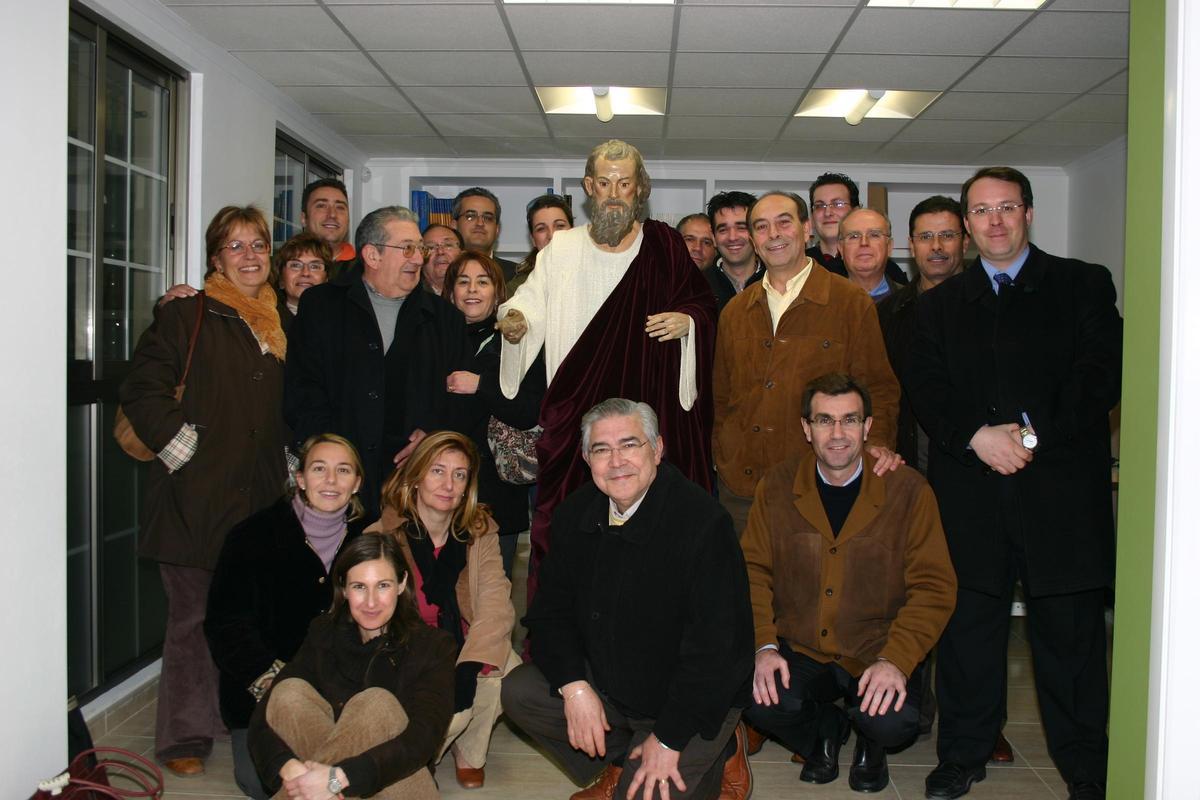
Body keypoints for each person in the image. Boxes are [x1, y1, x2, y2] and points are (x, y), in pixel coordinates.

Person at [908, 167, 1122, 800]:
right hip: (971, 497)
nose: (994, 220)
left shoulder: (1082, 284)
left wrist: (1025, 439)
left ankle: (1087, 769)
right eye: (981, 211)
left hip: (1059, 498)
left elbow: (1099, 378)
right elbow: (928, 389)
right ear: (968, 226)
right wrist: (977, 437)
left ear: (1029, 213)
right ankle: (963, 756)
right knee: (969, 636)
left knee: (1071, 643)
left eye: (1006, 207)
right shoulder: (939, 305)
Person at [496, 139, 718, 603]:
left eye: (625, 182)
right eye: (604, 182)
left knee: (649, 535)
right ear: (588, 187)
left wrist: (687, 322)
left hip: (646, 413)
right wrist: (516, 321)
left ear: (640, 188)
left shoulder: (665, 244)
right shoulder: (561, 248)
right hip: (577, 410)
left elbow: (701, 304)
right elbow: (529, 301)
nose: (614, 192)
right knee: (571, 528)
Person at [502, 399, 754, 800]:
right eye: (602, 449)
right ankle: (626, 758)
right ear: (587, 458)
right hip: (615, 688)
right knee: (521, 692)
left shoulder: (703, 522)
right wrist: (576, 689)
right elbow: (549, 616)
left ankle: (715, 748)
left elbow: (716, 653)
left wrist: (669, 739)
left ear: (657, 449)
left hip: (692, 703)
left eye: (630, 445)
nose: (616, 461)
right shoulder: (574, 514)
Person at [119, 205, 289, 776]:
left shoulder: (278, 321)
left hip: (259, 498)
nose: (249, 256)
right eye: (235, 246)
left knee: (242, 615)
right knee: (191, 620)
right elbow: (143, 389)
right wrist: (181, 445)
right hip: (194, 497)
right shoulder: (186, 314)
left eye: (258, 245)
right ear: (216, 257)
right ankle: (184, 736)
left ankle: (227, 714)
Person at [740, 373, 956, 793]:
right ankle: (826, 727)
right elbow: (752, 571)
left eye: (850, 420)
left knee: (893, 723)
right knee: (756, 697)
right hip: (803, 647)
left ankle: (871, 744)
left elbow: (934, 586)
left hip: (878, 646)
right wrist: (764, 646)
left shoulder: (909, 491)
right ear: (806, 428)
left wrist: (897, 659)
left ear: (868, 426)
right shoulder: (777, 487)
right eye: (824, 420)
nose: (837, 434)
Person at [712, 190, 900, 534]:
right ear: (753, 239)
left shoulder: (849, 302)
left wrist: (876, 446)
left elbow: (879, 387)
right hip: (741, 487)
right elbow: (722, 399)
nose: (774, 235)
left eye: (784, 223)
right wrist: (724, 453)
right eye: (762, 227)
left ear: (806, 228)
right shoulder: (735, 312)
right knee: (745, 585)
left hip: (819, 481)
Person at [206, 433, 369, 799]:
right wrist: (275, 685)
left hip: (348, 692)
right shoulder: (251, 537)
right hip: (265, 693)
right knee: (262, 783)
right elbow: (225, 625)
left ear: (357, 482)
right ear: (300, 478)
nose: (330, 481)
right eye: (319, 469)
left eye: (343, 470)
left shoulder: (372, 536)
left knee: (363, 778)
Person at [284, 205, 471, 520]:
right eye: (408, 249)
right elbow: (301, 388)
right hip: (337, 479)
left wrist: (434, 437)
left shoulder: (445, 318)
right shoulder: (321, 306)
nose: (418, 258)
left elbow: (461, 395)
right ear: (372, 256)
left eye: (420, 249)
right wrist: (332, 451)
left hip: (413, 479)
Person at [366, 431, 521, 790]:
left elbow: (497, 605)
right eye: (437, 471)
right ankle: (415, 757)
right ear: (416, 477)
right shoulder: (381, 537)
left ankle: (470, 751)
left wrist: (468, 667)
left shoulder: (480, 533)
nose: (449, 484)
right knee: (445, 714)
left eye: (460, 474)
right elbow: (369, 622)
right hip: (406, 654)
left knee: (506, 672)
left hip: (459, 643)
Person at [247, 534, 456, 800]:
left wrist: (337, 779)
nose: (371, 602)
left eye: (382, 585)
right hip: (329, 788)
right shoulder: (323, 633)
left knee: (376, 704)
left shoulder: (434, 646)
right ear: (344, 589)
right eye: (359, 587)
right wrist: (288, 768)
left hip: (399, 786)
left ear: (402, 584)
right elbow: (262, 718)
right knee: (287, 693)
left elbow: (422, 740)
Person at [443, 251, 545, 577]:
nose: (472, 290)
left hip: (497, 492)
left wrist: (481, 385)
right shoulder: (432, 337)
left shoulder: (516, 342)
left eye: (482, 282)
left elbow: (531, 411)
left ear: (497, 292)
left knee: (493, 598)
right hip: (441, 488)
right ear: (450, 292)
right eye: (463, 282)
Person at [806, 173, 907, 285]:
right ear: (812, 216)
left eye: (838, 204)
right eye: (820, 206)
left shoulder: (888, 270)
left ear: (855, 211)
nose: (828, 212)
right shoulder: (799, 265)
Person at [704, 191, 764, 315]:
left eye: (741, 227)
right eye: (723, 229)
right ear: (713, 237)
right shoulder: (698, 286)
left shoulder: (778, 282)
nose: (732, 237)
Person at [510, 194, 575, 294]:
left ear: (573, 231)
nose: (552, 235)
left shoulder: (593, 274)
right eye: (541, 229)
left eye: (560, 226)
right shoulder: (518, 288)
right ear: (533, 240)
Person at [452, 187, 518, 282]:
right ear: (454, 226)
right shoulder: (441, 272)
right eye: (470, 216)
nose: (480, 223)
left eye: (488, 218)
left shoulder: (518, 276)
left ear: (497, 229)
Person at [274, 231, 331, 332]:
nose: (305, 273)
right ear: (281, 279)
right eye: (295, 265)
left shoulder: (343, 322)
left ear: (326, 279)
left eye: (315, 266)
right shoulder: (266, 322)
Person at [839, 208, 898, 303]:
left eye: (874, 235)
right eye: (854, 236)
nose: (864, 242)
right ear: (841, 248)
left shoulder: (912, 302)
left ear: (889, 246)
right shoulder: (823, 305)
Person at [301, 177, 356, 267]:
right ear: (304, 218)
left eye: (340, 207)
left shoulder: (366, 272)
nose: (332, 214)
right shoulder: (279, 270)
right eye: (321, 206)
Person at [421, 223, 464, 296]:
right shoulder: (410, 299)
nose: (440, 251)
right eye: (431, 247)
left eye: (448, 245)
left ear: (462, 254)